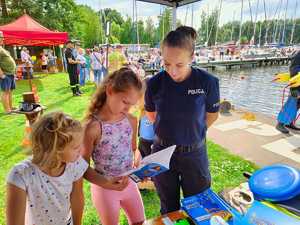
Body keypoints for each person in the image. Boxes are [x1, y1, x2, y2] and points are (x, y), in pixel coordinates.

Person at [144, 26, 220, 214]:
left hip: (194, 154)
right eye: (166, 64)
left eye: (179, 65)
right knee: (168, 207)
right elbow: (151, 116)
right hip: (163, 152)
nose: (172, 71)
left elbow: (212, 114)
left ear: (192, 57)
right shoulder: (154, 83)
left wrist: (193, 132)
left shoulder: (207, 82)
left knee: (199, 206)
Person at [6, 111, 127, 225]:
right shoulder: (20, 174)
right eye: (75, 147)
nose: (81, 151)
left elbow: (77, 198)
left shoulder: (74, 164)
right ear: (55, 149)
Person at [82, 67, 145, 225]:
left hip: (129, 183)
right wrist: (105, 182)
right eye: (125, 102)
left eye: (132, 104)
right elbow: (81, 167)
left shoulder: (131, 120)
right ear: (110, 90)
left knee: (140, 222)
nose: (128, 109)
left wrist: (139, 161)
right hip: (104, 189)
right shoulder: (93, 127)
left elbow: (132, 149)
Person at [276, 50, 300, 134]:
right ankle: (280, 123)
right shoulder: (298, 55)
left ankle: (289, 122)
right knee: (291, 103)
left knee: (297, 105)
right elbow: (294, 69)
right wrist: (294, 88)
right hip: (296, 85)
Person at [0, 31, 17, 114]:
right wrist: (1, 74)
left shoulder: (1, 48)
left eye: (2, 37)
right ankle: (7, 110)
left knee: (9, 91)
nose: (2, 39)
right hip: (5, 74)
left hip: (10, 73)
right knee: (5, 92)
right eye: (1, 37)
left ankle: (10, 107)